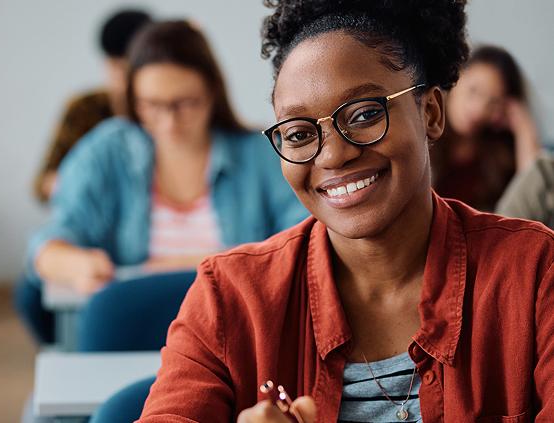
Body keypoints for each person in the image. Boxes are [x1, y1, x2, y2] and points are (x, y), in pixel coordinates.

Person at [137, 0, 554, 421]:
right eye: (299, 133)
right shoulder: (229, 297)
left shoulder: (535, 273)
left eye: (365, 114)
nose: (333, 155)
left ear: (430, 112)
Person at [13, 21, 308, 345]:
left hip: (240, 340)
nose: (168, 122)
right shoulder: (106, 151)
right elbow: (50, 240)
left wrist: (170, 266)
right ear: (133, 99)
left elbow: (305, 242)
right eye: (152, 105)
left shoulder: (261, 154)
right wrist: (75, 263)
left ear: (212, 92)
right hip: (133, 340)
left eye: (184, 104)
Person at [31, 9, 153, 204]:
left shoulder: (160, 113)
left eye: (130, 70)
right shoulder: (83, 108)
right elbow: (41, 184)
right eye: (115, 67)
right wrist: (77, 183)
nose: (122, 82)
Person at [430, 45, 541, 212]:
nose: (478, 109)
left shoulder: (498, 159)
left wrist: (523, 128)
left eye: (494, 102)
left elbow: (533, 197)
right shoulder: (423, 134)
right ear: (454, 79)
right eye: (473, 90)